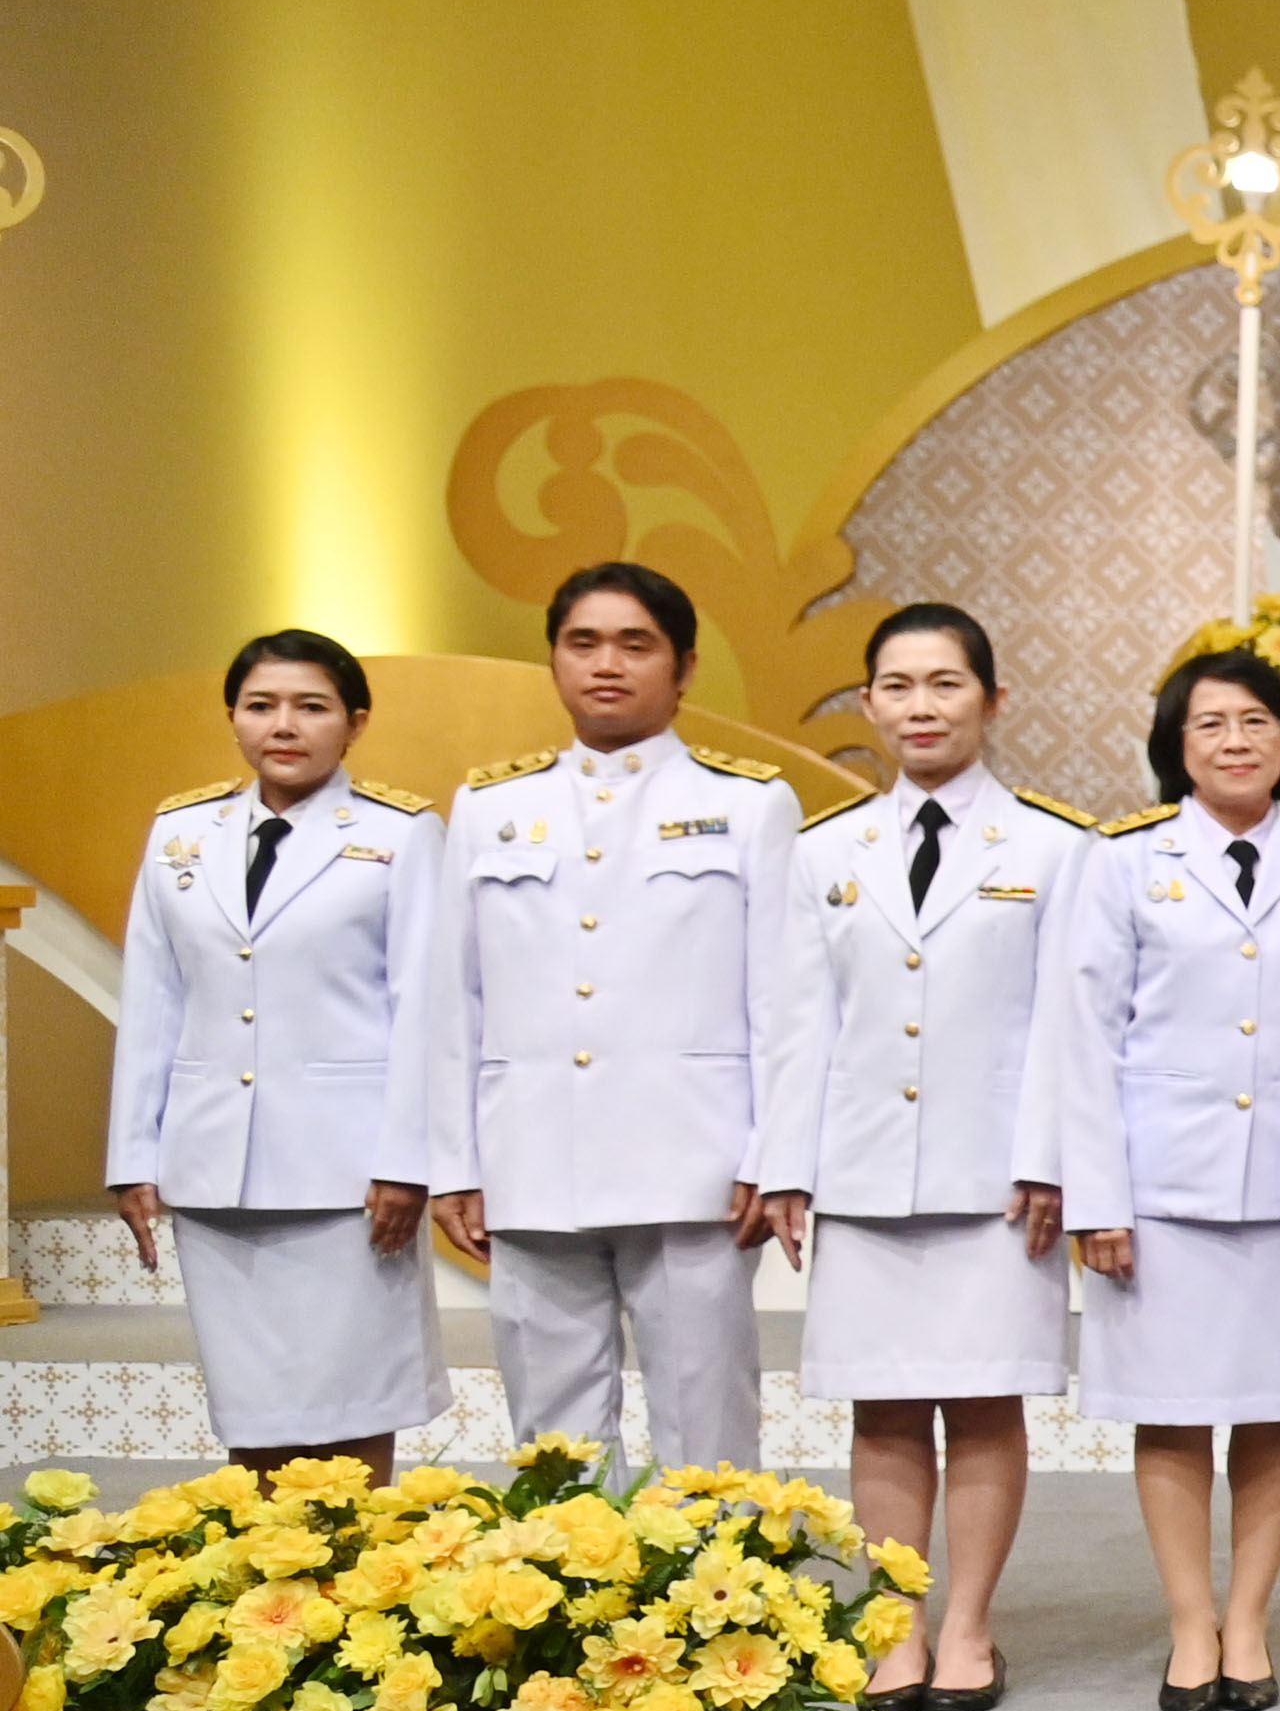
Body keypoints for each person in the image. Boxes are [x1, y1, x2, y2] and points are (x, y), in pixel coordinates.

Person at [763, 605, 1086, 1711]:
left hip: (999, 1179)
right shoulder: (824, 850)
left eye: (945, 683)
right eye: (897, 686)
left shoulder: (1054, 847)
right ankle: (894, 1623)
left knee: (985, 1404)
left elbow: (1066, 1024)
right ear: (868, 705)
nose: (921, 707)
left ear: (992, 700)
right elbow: (799, 1019)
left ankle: (970, 1627)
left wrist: (1052, 1159)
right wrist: (786, 1166)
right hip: (863, 1170)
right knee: (884, 1410)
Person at [412, 563, 802, 1472]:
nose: (606, 664)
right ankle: (573, 1570)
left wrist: (775, 1156)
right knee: (553, 1435)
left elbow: (784, 1000)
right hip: (532, 1154)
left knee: (706, 1422)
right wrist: (452, 1163)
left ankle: (716, 1569)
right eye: (582, 643)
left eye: (636, 644)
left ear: (685, 667)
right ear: (553, 660)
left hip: (697, 1162)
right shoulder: (491, 806)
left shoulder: (746, 803)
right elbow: (452, 1000)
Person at [1040, 644, 1280, 1711]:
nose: (1236, 741)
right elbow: (1083, 1036)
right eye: (1211, 724)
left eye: (1257, 722)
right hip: (1160, 1188)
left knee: (1275, 1409)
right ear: (1175, 745)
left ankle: (1250, 1621)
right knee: (1171, 1412)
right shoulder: (1122, 860)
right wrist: (1096, 1197)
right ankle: (1190, 1624)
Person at [103, 629, 443, 1474]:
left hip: (349, 1171)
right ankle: (265, 1562)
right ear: (233, 717)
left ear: (355, 723)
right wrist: (133, 1154)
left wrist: (408, 1162)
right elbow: (153, 999)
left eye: (310, 707)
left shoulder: (402, 834)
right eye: (261, 706)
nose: (283, 725)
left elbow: (424, 1008)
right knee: (250, 1401)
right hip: (213, 1160)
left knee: (355, 1392)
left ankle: (355, 1559)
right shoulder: (182, 833)